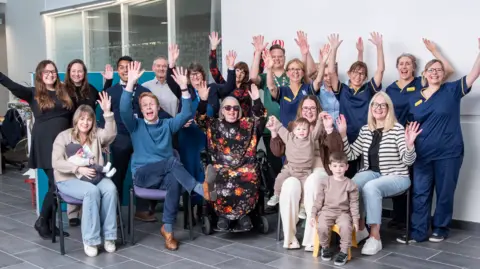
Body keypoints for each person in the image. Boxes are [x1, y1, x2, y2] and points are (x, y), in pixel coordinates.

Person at [397, 38, 480, 244]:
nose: (435, 72)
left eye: (438, 70)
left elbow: (473, 74)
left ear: (443, 75)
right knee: (420, 193)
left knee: (444, 193)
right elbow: (406, 125)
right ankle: (418, 232)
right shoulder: (413, 97)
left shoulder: (451, 91)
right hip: (422, 155)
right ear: (424, 74)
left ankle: (441, 228)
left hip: (448, 154)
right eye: (431, 70)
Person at [120, 61, 206, 251]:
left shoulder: (167, 125)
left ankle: (167, 230)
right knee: (171, 163)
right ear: (141, 110)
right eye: (144, 105)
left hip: (165, 175)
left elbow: (185, 114)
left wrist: (184, 88)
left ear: (158, 107)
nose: (148, 107)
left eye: (151, 104)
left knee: (174, 179)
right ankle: (198, 188)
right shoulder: (136, 127)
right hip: (143, 176)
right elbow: (124, 109)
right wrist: (130, 84)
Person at [337, 91, 420, 255]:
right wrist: (343, 135)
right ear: (371, 108)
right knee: (353, 184)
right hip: (372, 172)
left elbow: (408, 161)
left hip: (397, 176)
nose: (379, 108)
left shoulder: (397, 129)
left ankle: (375, 237)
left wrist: (410, 145)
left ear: (389, 108)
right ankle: (361, 228)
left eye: (383, 105)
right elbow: (352, 155)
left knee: (371, 187)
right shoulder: (366, 130)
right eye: (375, 104)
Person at [385, 39, 454, 229]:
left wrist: (435, 51)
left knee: (416, 182)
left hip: (417, 139)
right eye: (401, 64)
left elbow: (446, 72)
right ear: (397, 67)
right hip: (394, 137)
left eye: (408, 63)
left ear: (415, 68)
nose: (404, 66)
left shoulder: (421, 83)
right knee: (398, 175)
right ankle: (398, 217)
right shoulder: (390, 88)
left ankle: (411, 221)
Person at [0, 60, 73, 239]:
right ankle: (42, 221)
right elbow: (12, 86)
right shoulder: (33, 93)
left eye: (53, 71)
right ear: (40, 75)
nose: (50, 74)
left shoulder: (64, 93)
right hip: (46, 144)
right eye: (46, 72)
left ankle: (49, 225)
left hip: (64, 144)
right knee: (57, 183)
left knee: (53, 185)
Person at [271, 95, 343, 251]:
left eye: (312, 108)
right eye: (305, 108)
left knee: (312, 182)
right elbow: (278, 152)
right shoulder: (293, 126)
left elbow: (337, 151)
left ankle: (312, 239)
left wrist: (330, 129)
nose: (309, 111)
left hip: (319, 169)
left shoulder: (323, 126)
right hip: (296, 169)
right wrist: (274, 133)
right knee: (289, 186)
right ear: (300, 110)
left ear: (318, 110)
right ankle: (290, 239)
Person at [51, 93, 118, 257]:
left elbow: (111, 135)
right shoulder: (64, 136)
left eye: (89, 119)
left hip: (94, 177)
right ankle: (91, 240)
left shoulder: (96, 135)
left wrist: (108, 114)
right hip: (68, 180)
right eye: (82, 119)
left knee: (110, 188)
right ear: (76, 120)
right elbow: (56, 163)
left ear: (93, 122)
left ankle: (109, 236)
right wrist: (77, 169)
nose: (85, 123)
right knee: (91, 192)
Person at [196, 82, 267, 231]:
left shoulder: (247, 124)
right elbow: (200, 119)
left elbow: (261, 119)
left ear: (240, 111)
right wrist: (203, 101)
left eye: (235, 108)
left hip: (244, 165)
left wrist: (257, 100)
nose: (232, 111)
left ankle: (243, 216)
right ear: (222, 110)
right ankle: (223, 217)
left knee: (249, 175)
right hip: (221, 166)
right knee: (218, 177)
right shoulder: (214, 124)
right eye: (227, 108)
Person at [166, 44, 236, 189]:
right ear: (188, 78)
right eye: (192, 74)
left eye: (198, 73)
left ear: (203, 75)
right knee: (188, 168)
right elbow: (170, 81)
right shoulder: (184, 91)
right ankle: (189, 205)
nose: (195, 76)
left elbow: (229, 87)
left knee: (206, 170)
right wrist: (171, 63)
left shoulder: (213, 89)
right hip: (188, 137)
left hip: (208, 137)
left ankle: (206, 205)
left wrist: (231, 68)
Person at [101, 56, 154, 222]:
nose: (125, 70)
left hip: (140, 137)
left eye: (128, 67)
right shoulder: (110, 92)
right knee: (117, 174)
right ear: (118, 71)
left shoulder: (144, 91)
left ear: (134, 70)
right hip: (119, 138)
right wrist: (105, 140)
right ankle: (114, 212)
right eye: (121, 67)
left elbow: (153, 113)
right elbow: (103, 117)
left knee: (144, 172)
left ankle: (143, 210)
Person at [327, 33, 385, 179]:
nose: (358, 76)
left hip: (367, 136)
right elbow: (331, 72)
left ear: (365, 77)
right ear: (348, 73)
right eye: (355, 72)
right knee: (348, 173)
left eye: (362, 74)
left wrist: (379, 46)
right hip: (346, 135)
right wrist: (333, 49)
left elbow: (380, 70)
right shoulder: (343, 90)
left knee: (366, 174)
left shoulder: (369, 89)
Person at [64, 59, 114, 226]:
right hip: (72, 136)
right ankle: (72, 213)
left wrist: (108, 81)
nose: (77, 74)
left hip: (91, 136)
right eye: (73, 71)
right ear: (69, 73)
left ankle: (89, 208)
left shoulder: (90, 90)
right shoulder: (63, 91)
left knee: (92, 168)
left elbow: (102, 100)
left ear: (84, 73)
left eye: (80, 71)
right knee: (76, 170)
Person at [266, 112, 324, 211]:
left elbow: (318, 130)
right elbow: (280, 128)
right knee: (279, 178)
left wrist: (320, 120)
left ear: (309, 130)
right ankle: (276, 195)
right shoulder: (289, 137)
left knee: (305, 189)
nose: (301, 131)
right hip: (290, 168)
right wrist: (275, 121)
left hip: (304, 171)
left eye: (304, 129)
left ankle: (302, 207)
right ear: (293, 131)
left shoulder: (311, 138)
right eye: (298, 129)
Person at [310, 152, 359, 266]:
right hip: (327, 211)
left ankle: (343, 252)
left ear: (346, 167)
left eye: (341, 166)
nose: (338, 169)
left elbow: (354, 203)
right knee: (321, 226)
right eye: (335, 166)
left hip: (343, 213)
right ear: (330, 167)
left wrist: (356, 220)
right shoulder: (325, 182)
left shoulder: (350, 184)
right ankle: (325, 247)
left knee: (346, 227)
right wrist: (313, 215)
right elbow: (318, 201)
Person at [264, 49, 325, 128]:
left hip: (305, 133)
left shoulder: (308, 88)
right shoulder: (282, 90)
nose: (295, 72)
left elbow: (319, 81)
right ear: (287, 73)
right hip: (287, 135)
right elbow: (271, 87)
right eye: (292, 69)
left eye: (298, 69)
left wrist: (323, 63)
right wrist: (269, 69)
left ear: (303, 73)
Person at [314, 38, 364, 124]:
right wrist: (322, 61)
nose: (328, 78)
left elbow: (357, 74)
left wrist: (360, 52)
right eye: (325, 75)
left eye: (330, 75)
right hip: (325, 128)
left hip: (343, 127)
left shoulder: (343, 88)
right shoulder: (318, 90)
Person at [208, 32, 253, 116]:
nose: (239, 74)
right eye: (238, 70)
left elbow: (256, 75)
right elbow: (213, 70)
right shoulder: (225, 85)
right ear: (233, 71)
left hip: (244, 125)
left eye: (243, 72)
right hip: (226, 124)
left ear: (245, 76)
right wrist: (213, 48)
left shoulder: (248, 87)